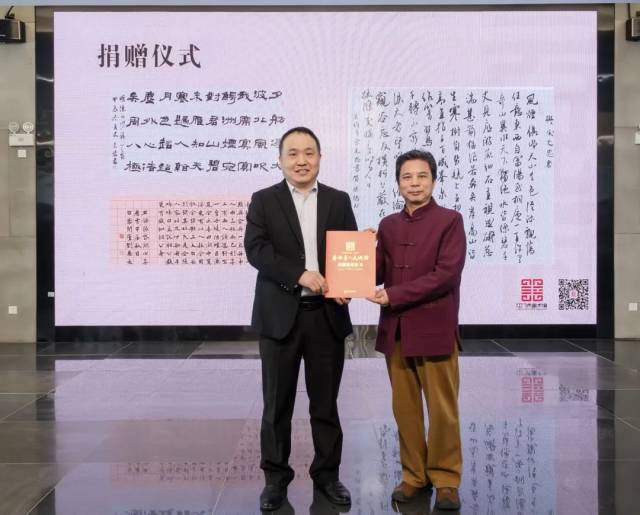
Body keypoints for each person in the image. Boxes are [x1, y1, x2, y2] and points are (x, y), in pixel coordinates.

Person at [244, 126, 356, 511]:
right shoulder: (264, 200)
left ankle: (327, 476)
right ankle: (275, 480)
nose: (301, 160)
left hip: (326, 316)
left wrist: (347, 282)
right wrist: (300, 275)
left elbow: (348, 250)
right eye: (293, 153)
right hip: (280, 317)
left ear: (320, 158)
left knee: (326, 404)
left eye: (309, 153)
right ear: (280, 160)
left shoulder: (338, 200)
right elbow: (257, 250)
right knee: (277, 405)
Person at [368, 150, 466, 511]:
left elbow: (446, 275)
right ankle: (413, 476)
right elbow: (376, 271)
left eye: (422, 176)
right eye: (407, 177)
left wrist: (395, 295)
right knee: (405, 409)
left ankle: (446, 479)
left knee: (443, 410)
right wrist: (360, 251)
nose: (414, 183)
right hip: (396, 331)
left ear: (434, 181)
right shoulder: (389, 225)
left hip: (435, 329)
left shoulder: (450, 220)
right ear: (398, 183)